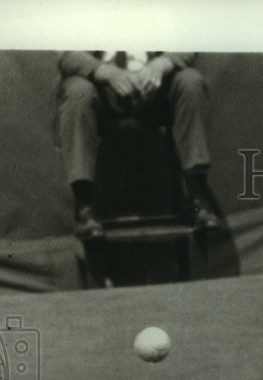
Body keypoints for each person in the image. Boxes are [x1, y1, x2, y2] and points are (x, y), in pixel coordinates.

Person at [57, 51, 222, 239]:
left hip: (156, 88)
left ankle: (198, 200)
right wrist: (105, 71)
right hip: (102, 89)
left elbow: (186, 39)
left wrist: (162, 63)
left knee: (190, 82)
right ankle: (85, 207)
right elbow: (66, 53)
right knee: (77, 91)